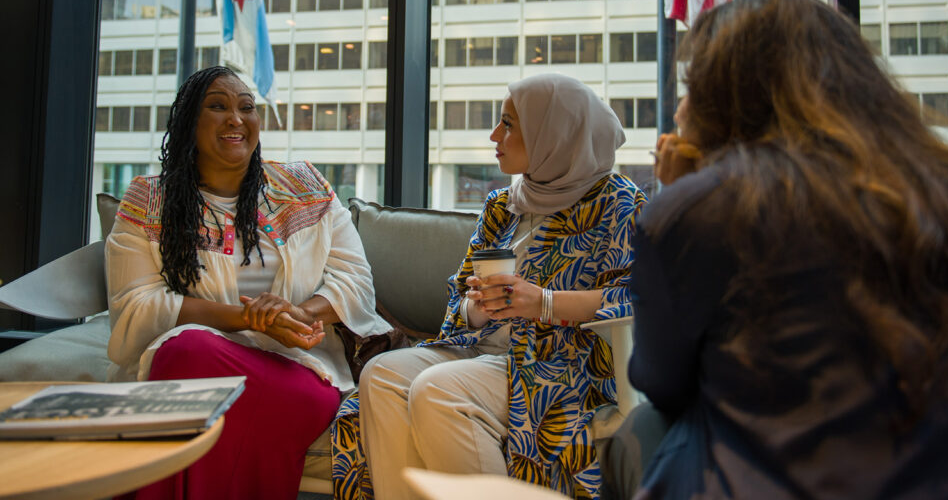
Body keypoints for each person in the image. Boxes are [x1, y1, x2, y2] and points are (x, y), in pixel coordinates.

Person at [626, 0, 948, 499]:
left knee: (642, 432)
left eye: (691, 89)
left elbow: (660, 380)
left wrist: (680, 192)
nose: (679, 112)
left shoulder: (709, 208)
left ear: (725, 97)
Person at [330, 73, 647, 500]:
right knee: (382, 374)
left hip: (561, 361)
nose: (494, 134)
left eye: (509, 124)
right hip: (482, 350)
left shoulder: (619, 204)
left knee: (438, 391)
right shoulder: (503, 205)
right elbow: (459, 295)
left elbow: (638, 298)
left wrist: (544, 302)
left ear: (552, 133)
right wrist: (477, 308)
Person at [105, 66, 392, 500]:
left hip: (302, 370)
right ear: (189, 122)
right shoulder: (149, 202)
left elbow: (356, 283)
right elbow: (136, 308)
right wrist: (247, 319)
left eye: (247, 107)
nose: (236, 119)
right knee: (189, 353)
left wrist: (296, 313)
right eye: (218, 106)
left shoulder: (303, 185)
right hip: (194, 362)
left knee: (188, 361)